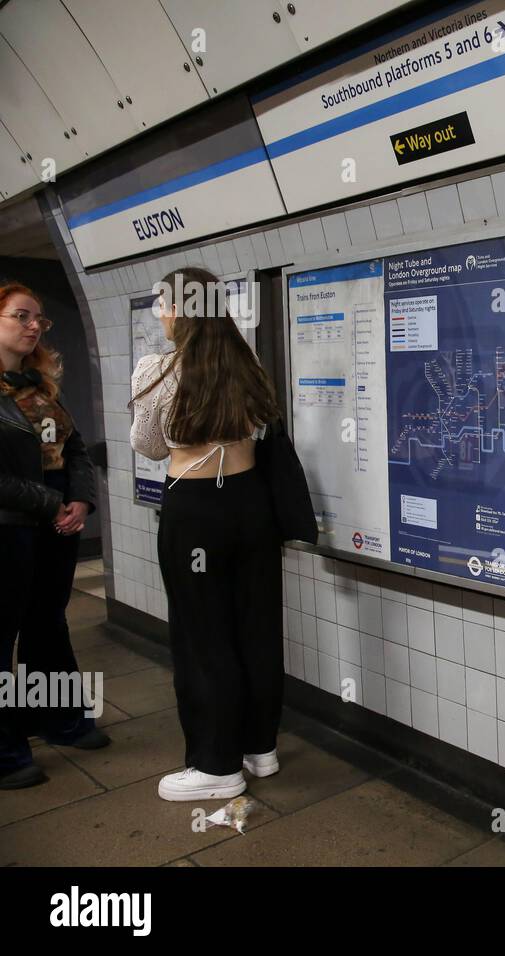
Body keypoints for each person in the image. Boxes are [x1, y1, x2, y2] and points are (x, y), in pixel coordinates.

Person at [130, 266, 285, 801]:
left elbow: (149, 445)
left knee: (202, 635)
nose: (160, 314)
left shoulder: (156, 369)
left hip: (195, 508)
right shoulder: (249, 365)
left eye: (162, 304)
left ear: (179, 309)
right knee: (255, 625)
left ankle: (216, 767)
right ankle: (258, 748)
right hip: (251, 504)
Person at [0, 282, 108, 790]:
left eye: (39, 319)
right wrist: (52, 504)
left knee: (47, 622)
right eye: (22, 316)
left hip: (57, 522)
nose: (33, 326)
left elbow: (77, 449)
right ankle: (5, 750)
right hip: (11, 525)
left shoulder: (41, 385)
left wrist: (82, 501)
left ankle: (59, 719)